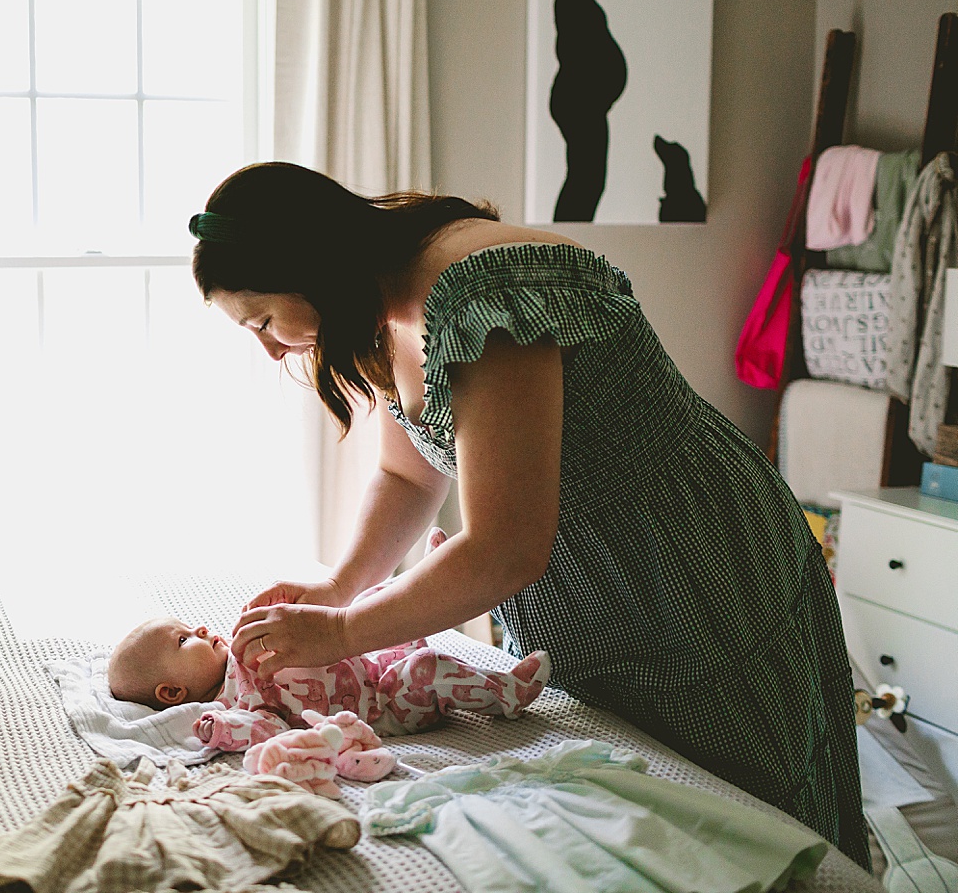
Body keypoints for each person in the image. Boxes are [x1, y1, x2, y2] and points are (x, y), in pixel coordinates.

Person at [185, 161, 869, 869]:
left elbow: (505, 548)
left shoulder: (482, 295)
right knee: (663, 818)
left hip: (685, 552)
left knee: (748, 805)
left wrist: (345, 632)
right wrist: (339, 587)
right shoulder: (379, 306)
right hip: (590, 576)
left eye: (265, 320)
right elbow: (406, 474)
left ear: (309, 264)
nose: (270, 348)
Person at [107, 559, 551, 753]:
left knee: (372, 600)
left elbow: (316, 632)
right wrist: (220, 730)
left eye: (191, 626)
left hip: (367, 660)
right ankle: (506, 692)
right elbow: (266, 729)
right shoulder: (231, 704)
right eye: (185, 640)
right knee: (426, 669)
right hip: (383, 706)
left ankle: (443, 577)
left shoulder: (239, 652)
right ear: (172, 691)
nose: (201, 629)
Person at [549, 0, 629, 221]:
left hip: (585, 103)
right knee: (586, 179)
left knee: (587, 179)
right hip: (580, 104)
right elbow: (576, 57)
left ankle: (569, 241)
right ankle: (566, 244)